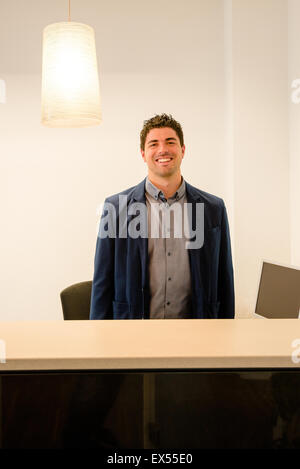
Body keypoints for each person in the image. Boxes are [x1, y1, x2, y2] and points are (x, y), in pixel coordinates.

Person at [90, 113, 234, 320]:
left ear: (183, 150)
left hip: (197, 334)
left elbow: (224, 280)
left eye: (170, 142)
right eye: (153, 144)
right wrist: (99, 336)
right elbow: (102, 282)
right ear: (143, 153)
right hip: (132, 332)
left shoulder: (213, 208)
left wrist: (227, 335)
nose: (162, 150)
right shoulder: (115, 208)